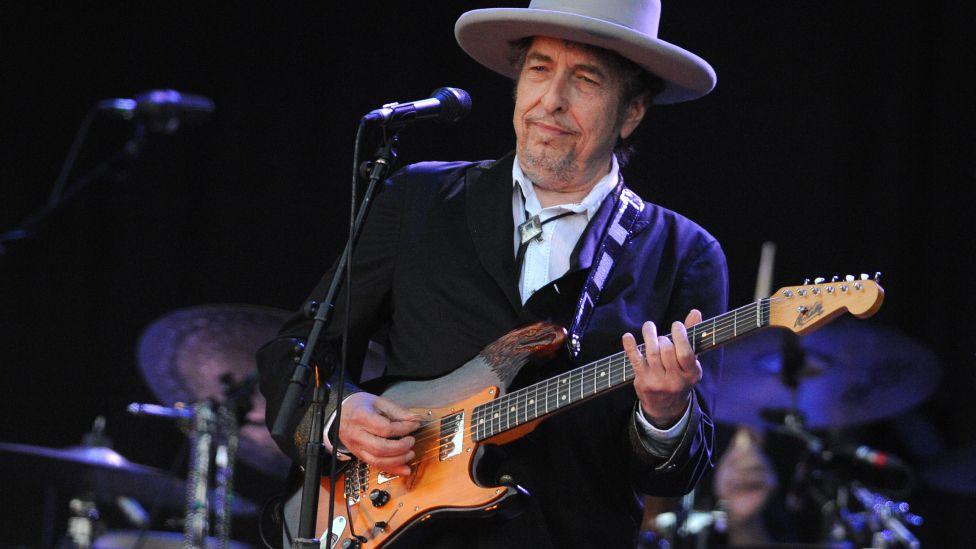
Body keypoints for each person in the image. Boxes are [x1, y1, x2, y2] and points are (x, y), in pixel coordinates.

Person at [258, 1, 728, 546]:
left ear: (632, 112)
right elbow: (297, 350)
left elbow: (677, 472)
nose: (550, 102)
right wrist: (340, 413)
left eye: (585, 80)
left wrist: (664, 412)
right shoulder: (418, 198)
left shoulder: (684, 253)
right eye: (539, 69)